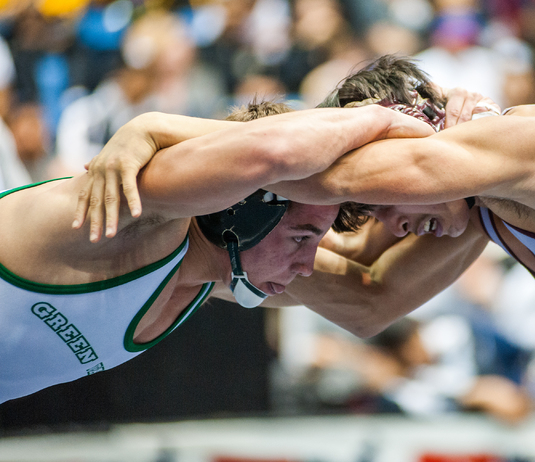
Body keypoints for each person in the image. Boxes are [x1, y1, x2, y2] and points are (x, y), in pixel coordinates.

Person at [82, 55, 535, 347]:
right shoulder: (483, 209)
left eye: (385, 202)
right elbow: (369, 298)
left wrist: (157, 132)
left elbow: (303, 168)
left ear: (408, 132)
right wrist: (205, 257)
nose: (394, 229)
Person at [0, 98, 452, 404]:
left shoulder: (207, 274)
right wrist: (386, 120)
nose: (308, 262)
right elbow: (271, 151)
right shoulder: (140, 215)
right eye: (300, 237)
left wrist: (485, 202)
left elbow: (374, 302)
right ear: (241, 208)